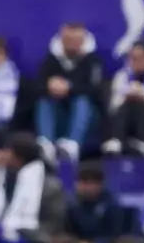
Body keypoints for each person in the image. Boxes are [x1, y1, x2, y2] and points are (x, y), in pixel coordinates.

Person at [35, 21, 105, 162]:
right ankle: (46, 144)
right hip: (59, 114)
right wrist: (50, 86)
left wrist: (69, 87)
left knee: (82, 100)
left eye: (76, 40)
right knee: (45, 101)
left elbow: (95, 91)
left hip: (86, 118)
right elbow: (38, 87)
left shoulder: (92, 61)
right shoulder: (50, 60)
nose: (72, 44)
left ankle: (72, 145)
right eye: (68, 40)